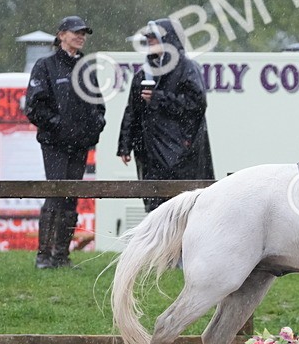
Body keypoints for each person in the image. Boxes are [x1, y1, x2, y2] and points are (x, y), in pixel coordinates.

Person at [24, 15, 106, 269]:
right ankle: (44, 256)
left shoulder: (86, 68)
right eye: (76, 32)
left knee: (71, 197)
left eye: (83, 33)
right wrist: (60, 126)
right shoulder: (45, 66)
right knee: (55, 194)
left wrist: (93, 129)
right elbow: (34, 107)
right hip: (55, 144)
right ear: (61, 35)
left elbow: (98, 106)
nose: (81, 37)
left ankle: (61, 256)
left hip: (79, 145)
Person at [117, 18, 214, 213]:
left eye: (154, 37)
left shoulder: (187, 67)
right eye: (148, 38)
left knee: (182, 204)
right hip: (150, 151)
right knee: (155, 206)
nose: (150, 41)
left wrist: (159, 98)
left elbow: (197, 104)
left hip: (181, 151)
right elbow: (132, 110)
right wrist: (125, 144)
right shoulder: (144, 73)